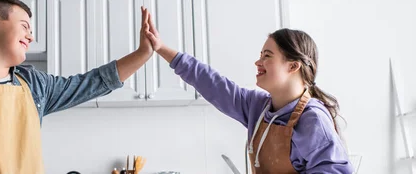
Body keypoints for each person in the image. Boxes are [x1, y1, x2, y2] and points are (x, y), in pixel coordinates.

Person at [0, 0, 156, 174]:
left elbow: (90, 83)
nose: (31, 36)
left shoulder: (34, 84)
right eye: (24, 26)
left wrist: (141, 54)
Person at [142, 16, 354, 173]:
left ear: (293, 66)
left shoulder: (312, 119)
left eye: (267, 56)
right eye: (260, 55)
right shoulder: (258, 108)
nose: (258, 62)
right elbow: (211, 83)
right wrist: (161, 49)